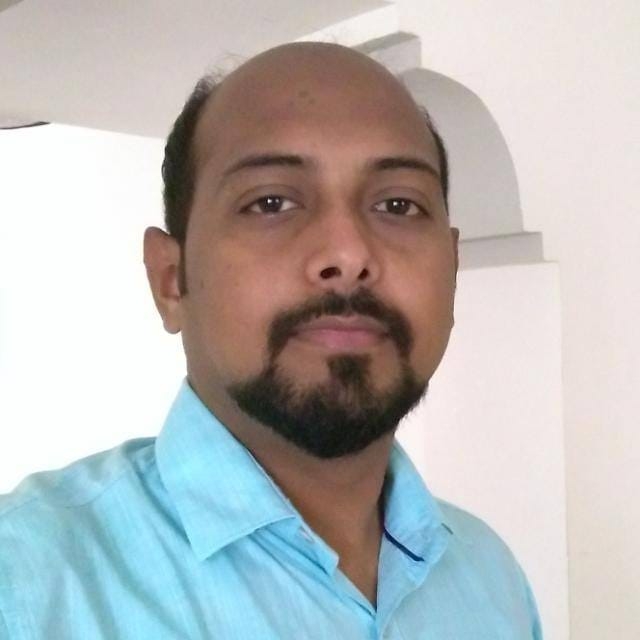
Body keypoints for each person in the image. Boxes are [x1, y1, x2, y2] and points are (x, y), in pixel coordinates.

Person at [0, 42, 542, 639]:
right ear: (171, 280)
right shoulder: (26, 586)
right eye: (271, 202)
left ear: (453, 269)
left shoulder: (489, 580)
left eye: (397, 204)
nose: (348, 253)